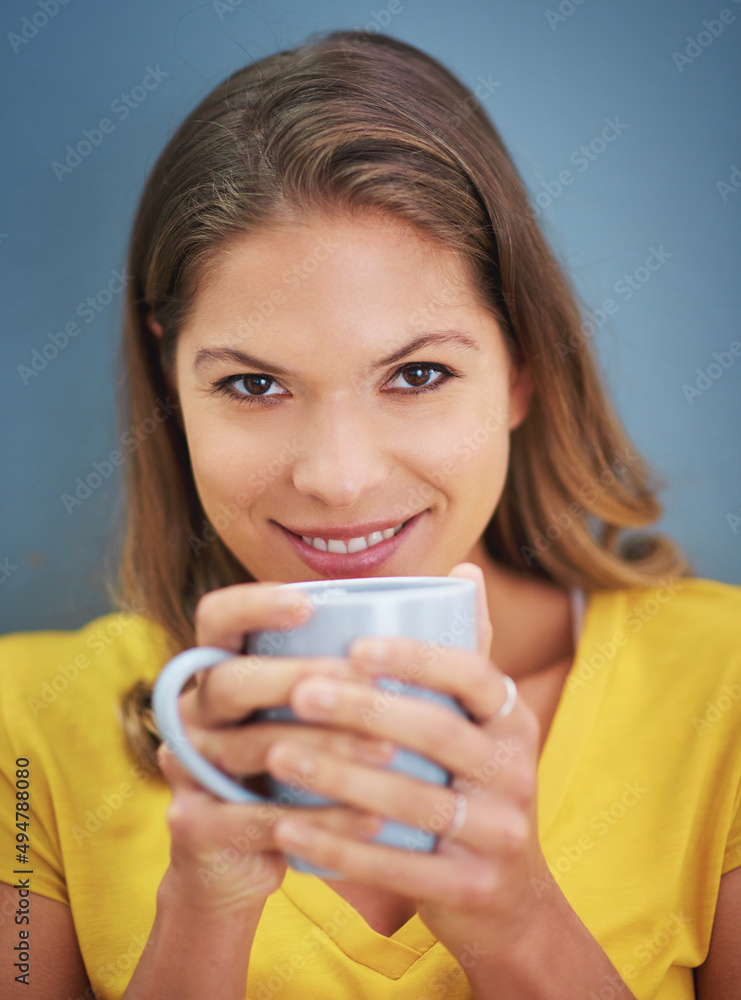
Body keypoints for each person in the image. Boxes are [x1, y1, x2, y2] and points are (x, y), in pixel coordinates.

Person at [0, 28, 739, 1000]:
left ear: (522, 367)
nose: (340, 479)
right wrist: (203, 910)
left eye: (418, 373)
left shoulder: (721, 687)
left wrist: (518, 925)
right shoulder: (25, 729)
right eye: (255, 384)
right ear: (170, 385)